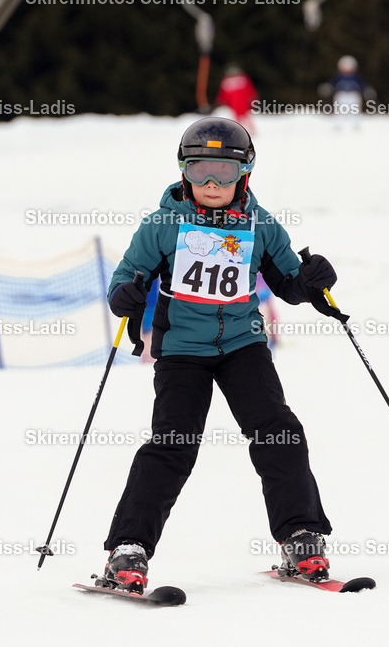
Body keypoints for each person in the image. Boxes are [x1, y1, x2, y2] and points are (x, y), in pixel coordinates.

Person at [100, 117, 337, 593]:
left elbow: (288, 283)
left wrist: (311, 281)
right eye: (200, 170)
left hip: (242, 345)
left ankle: (301, 536)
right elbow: (122, 281)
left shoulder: (260, 224)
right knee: (174, 443)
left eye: (224, 173)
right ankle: (128, 549)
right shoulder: (162, 226)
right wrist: (126, 295)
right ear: (184, 172)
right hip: (181, 350)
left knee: (278, 431)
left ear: (244, 175)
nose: (212, 183)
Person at [319, 55, 375, 125]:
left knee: (354, 109)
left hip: (353, 95)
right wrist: (327, 87)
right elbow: (332, 83)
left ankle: (355, 123)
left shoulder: (356, 76)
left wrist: (367, 90)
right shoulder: (338, 76)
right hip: (341, 95)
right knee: (339, 109)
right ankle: (338, 123)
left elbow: (362, 85)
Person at [214, 64, 258, 134]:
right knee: (237, 117)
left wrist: (252, 97)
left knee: (245, 116)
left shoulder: (243, 79)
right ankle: (239, 131)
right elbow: (223, 93)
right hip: (234, 103)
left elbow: (249, 90)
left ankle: (248, 130)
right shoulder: (227, 81)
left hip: (242, 102)